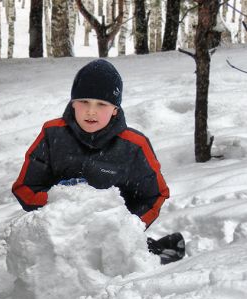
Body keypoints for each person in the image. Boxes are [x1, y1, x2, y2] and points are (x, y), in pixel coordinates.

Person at [12, 59, 184, 263]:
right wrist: (59, 203)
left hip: (108, 243)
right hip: (60, 239)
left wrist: (126, 227)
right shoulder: (52, 134)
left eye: (101, 104)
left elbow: (154, 194)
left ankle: (157, 251)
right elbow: (25, 187)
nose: (91, 111)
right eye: (84, 101)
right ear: (72, 103)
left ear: (115, 109)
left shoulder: (133, 145)